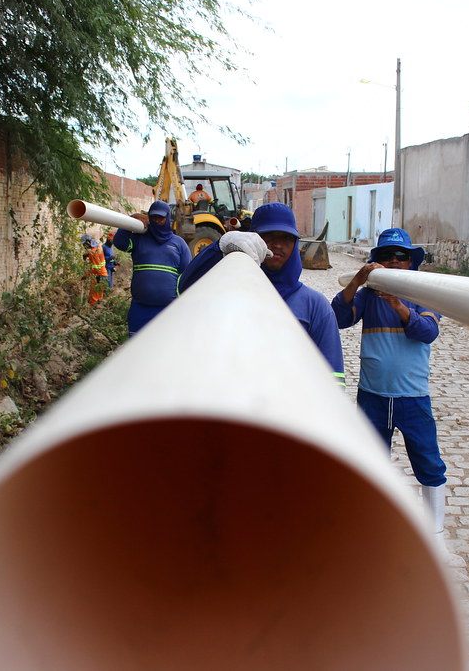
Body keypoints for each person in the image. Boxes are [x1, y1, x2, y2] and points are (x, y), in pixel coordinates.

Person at [331, 227, 448, 548]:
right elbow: (339, 317)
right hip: (372, 396)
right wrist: (357, 281)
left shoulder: (427, 296)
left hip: (413, 397)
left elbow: (427, 332)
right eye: (386, 257)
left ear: (412, 262)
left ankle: (435, 529)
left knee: (427, 460)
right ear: (376, 262)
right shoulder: (367, 297)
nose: (394, 262)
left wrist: (398, 305)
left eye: (401, 257)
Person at [178, 203, 344, 386]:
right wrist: (218, 248)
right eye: (268, 236)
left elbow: (334, 379)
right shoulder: (227, 292)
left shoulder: (315, 306)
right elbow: (186, 288)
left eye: (286, 238)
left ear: (295, 243)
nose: (278, 244)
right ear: (253, 239)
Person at [113, 200, 192, 335]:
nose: (157, 221)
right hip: (140, 309)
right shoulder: (139, 239)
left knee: (164, 348)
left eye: (160, 218)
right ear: (148, 218)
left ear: (167, 218)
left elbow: (187, 275)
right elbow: (119, 242)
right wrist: (130, 220)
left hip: (168, 309)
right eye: (153, 217)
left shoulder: (179, 243)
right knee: (137, 349)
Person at [80, 233, 108, 305]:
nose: (84, 247)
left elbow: (95, 269)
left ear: (87, 243)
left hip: (98, 276)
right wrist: (87, 254)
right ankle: (97, 311)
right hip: (104, 274)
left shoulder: (93, 253)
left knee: (94, 297)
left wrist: (86, 275)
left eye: (84, 245)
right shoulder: (98, 247)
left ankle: (91, 310)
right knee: (99, 295)